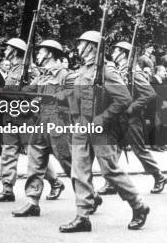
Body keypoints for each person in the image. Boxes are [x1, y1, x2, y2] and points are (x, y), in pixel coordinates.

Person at [59, 31, 149, 233]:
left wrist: (102, 119)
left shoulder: (107, 71)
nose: (78, 47)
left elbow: (124, 99)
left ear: (91, 47)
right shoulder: (83, 70)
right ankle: (83, 216)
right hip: (81, 127)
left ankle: (139, 205)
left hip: (101, 129)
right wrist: (61, 97)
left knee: (110, 171)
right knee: (79, 172)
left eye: (81, 44)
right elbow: (77, 96)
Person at [0, 38, 61, 202]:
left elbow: (40, 89)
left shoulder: (30, 69)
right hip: (10, 116)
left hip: (27, 118)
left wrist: (29, 104)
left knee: (35, 154)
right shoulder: (13, 69)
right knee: (8, 152)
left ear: (14, 50)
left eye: (8, 48)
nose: (5, 50)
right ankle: (7, 189)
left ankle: (55, 182)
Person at [95, 42, 165, 194]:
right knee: (114, 151)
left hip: (131, 119)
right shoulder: (118, 71)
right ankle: (111, 183)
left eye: (116, 51)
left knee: (139, 150)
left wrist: (131, 109)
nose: (113, 53)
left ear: (124, 54)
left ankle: (159, 176)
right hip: (118, 118)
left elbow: (150, 94)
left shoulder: (134, 73)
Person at [12, 40, 71, 217]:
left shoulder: (65, 75)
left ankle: (90, 195)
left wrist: (54, 96)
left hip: (57, 124)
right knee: (35, 163)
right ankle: (32, 201)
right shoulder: (42, 76)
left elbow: (75, 93)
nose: (37, 55)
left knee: (70, 164)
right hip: (39, 124)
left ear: (50, 54)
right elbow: (26, 91)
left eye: (40, 51)